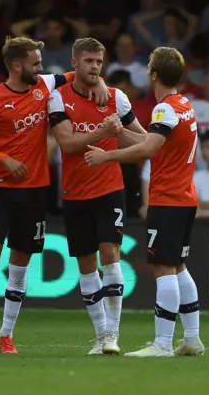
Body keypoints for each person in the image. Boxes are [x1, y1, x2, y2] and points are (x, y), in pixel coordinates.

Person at [0, 36, 110, 354]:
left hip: (34, 192)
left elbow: (81, 73)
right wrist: (3, 159)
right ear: (17, 66)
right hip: (0, 191)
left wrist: (101, 83)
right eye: (35, 63)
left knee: (20, 263)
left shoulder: (44, 85)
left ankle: (6, 335)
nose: (41, 67)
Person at [85, 47, 205, 357]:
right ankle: (191, 338)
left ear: (154, 75)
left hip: (167, 199)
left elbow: (148, 149)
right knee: (178, 266)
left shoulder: (163, 110)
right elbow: (152, 142)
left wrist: (106, 155)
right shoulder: (183, 105)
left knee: (162, 268)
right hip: (185, 197)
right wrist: (116, 131)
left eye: (149, 65)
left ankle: (162, 344)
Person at [47, 37, 146, 355]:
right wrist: (104, 132)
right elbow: (67, 144)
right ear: (74, 63)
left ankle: (113, 335)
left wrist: (119, 133)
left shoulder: (117, 98)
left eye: (99, 63)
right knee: (86, 267)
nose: (94, 67)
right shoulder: (58, 98)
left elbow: (145, 142)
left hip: (110, 189)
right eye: (88, 61)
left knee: (111, 255)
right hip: (75, 193)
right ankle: (101, 334)